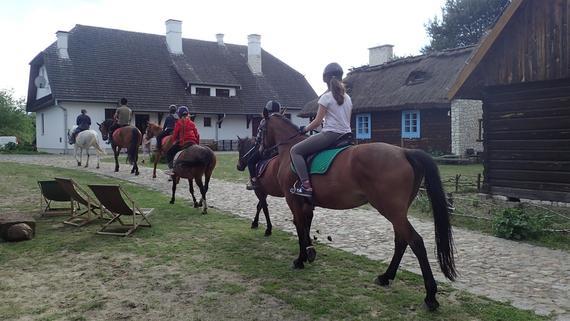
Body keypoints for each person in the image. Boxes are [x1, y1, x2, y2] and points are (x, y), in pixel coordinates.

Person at [289, 62, 353, 197]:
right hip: (346, 136)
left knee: (295, 151)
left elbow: (317, 121)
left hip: (330, 135)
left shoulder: (326, 97)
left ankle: (306, 185)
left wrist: (304, 129)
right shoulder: (348, 98)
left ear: (325, 79)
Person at [245, 100, 281, 190]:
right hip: (280, 150)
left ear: (267, 111)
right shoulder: (282, 121)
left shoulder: (264, 121)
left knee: (250, 162)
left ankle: (253, 180)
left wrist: (257, 143)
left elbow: (259, 138)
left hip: (267, 151)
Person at [164, 106, 200, 175]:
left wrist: (174, 141)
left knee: (169, 153)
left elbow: (175, 135)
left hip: (184, 143)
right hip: (193, 143)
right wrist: (197, 144)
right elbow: (197, 135)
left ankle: (172, 169)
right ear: (187, 114)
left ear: (179, 114)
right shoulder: (192, 123)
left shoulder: (179, 123)